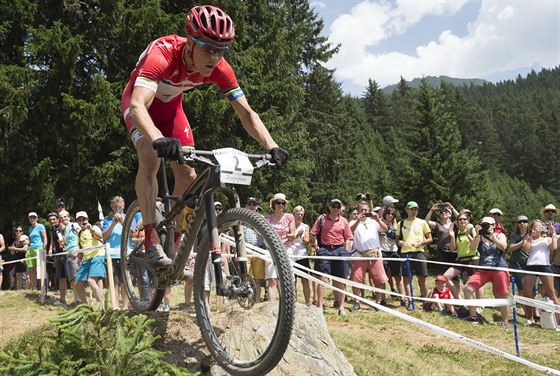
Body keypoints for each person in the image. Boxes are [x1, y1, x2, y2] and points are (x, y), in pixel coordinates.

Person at [120, 5, 289, 269]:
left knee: (188, 175)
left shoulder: (221, 68)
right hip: (139, 105)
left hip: (172, 110)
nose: (215, 58)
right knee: (150, 156)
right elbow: (140, 106)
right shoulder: (162, 55)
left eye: (221, 50)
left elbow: (246, 113)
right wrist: (156, 137)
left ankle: (173, 239)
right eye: (209, 49)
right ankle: (151, 238)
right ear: (190, 43)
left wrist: (272, 145)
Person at [463, 216, 510, 328]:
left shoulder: (500, 235)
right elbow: (473, 248)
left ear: (494, 226)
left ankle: (505, 321)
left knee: (502, 294)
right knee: (467, 288)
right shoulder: (479, 237)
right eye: (484, 224)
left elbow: (503, 247)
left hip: (499, 268)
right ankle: (473, 316)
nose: (487, 227)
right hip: (483, 269)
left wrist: (492, 237)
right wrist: (477, 235)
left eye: (489, 225)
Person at [310, 198, 353, 316]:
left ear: (341, 208)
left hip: (340, 250)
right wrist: (317, 247)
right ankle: (319, 306)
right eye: (333, 206)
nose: (336, 209)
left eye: (338, 207)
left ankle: (341, 307)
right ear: (329, 207)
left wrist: (346, 250)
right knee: (322, 279)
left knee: (340, 279)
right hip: (325, 249)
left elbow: (348, 237)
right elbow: (313, 234)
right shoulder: (321, 219)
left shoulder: (344, 221)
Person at [348, 202, 388, 312]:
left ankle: (378, 302)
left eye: (366, 210)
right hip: (359, 254)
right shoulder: (353, 221)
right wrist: (358, 220)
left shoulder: (374, 222)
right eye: (362, 209)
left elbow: (385, 229)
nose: (364, 212)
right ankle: (357, 302)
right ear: (358, 210)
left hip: (374, 254)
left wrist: (378, 219)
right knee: (356, 279)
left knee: (379, 279)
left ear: (369, 210)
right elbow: (349, 231)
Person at [395, 201, 432, 310]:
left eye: (415, 209)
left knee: (423, 277)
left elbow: (430, 238)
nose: (413, 211)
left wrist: (422, 243)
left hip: (419, 252)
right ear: (407, 210)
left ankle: (425, 301)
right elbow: (397, 239)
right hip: (405, 253)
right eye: (411, 209)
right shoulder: (401, 223)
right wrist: (399, 243)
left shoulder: (422, 223)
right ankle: (410, 301)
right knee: (407, 278)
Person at [522, 219, 559, 326]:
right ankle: (530, 318)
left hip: (544, 266)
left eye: (540, 227)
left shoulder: (547, 238)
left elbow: (554, 247)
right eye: (535, 227)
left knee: (552, 294)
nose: (537, 229)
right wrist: (530, 237)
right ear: (531, 228)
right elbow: (527, 250)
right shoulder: (528, 238)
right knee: (527, 294)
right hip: (531, 266)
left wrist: (553, 233)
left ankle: (558, 320)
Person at [265, 193, 295, 302]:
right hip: (271, 250)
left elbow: (293, 234)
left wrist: (285, 235)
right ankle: (271, 305)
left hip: (286, 248)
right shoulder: (267, 218)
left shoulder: (290, 217)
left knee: (287, 278)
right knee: (272, 279)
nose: (280, 205)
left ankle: (287, 303)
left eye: (282, 203)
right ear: (274, 204)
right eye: (278, 203)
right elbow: (264, 234)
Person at [102, 196, 130, 309]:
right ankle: (115, 306)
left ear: (123, 206)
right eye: (115, 206)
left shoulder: (129, 218)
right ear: (112, 207)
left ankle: (126, 307)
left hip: (125, 254)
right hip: (111, 256)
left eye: (119, 206)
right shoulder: (107, 221)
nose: (118, 208)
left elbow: (133, 233)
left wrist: (123, 222)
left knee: (125, 282)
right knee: (114, 282)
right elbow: (104, 236)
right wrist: (113, 223)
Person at [442, 213, 479, 299]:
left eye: (464, 219)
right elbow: (452, 249)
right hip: (461, 260)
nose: (462, 221)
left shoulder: (472, 230)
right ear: (457, 222)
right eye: (460, 219)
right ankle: (457, 298)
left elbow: (474, 247)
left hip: (472, 259)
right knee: (446, 276)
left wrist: (467, 235)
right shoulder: (455, 232)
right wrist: (451, 237)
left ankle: (479, 305)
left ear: (468, 221)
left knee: (474, 284)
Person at [74, 211, 105, 309]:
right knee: (77, 284)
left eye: (84, 219)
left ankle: (102, 306)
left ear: (87, 219)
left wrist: (91, 229)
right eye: (79, 220)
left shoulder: (94, 227)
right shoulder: (79, 234)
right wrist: (78, 261)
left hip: (97, 256)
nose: (82, 221)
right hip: (86, 259)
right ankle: (87, 308)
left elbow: (100, 236)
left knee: (91, 281)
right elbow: (81, 249)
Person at [379, 207, 405, 303]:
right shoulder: (379, 222)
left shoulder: (397, 224)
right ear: (384, 214)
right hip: (383, 251)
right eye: (388, 213)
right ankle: (383, 298)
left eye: (392, 214)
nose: (390, 215)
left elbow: (397, 237)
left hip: (394, 251)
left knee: (398, 276)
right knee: (383, 276)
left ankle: (402, 298)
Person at [244, 197, 266, 302]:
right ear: (245, 205)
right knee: (246, 277)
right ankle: (247, 300)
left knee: (258, 279)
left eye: (254, 204)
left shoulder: (262, 218)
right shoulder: (241, 218)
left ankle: (257, 300)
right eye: (249, 204)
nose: (251, 206)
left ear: (257, 206)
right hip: (245, 250)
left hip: (259, 250)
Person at [59, 210, 82, 306]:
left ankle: (80, 299)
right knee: (71, 279)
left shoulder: (74, 225)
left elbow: (81, 235)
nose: (63, 219)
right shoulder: (65, 229)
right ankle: (76, 298)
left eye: (65, 217)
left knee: (76, 277)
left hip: (75, 254)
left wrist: (78, 249)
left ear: (68, 217)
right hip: (68, 254)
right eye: (61, 217)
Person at [425, 203, 456, 275]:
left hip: (453, 251)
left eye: (446, 211)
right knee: (444, 273)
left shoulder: (454, 224)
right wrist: (431, 210)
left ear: (450, 214)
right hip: (442, 251)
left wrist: (452, 208)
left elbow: (462, 218)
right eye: (441, 212)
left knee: (454, 274)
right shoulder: (438, 225)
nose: (443, 213)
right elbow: (425, 222)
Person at [46, 212, 69, 304]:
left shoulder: (62, 227)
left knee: (72, 278)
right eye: (50, 220)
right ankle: (62, 299)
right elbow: (53, 240)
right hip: (58, 255)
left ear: (58, 219)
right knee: (61, 277)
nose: (52, 221)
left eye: (54, 219)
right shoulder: (52, 229)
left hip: (66, 253)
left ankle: (78, 299)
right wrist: (51, 249)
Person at [290, 205, 311, 305]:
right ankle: (293, 302)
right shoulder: (289, 225)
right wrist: (296, 236)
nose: (300, 216)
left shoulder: (305, 226)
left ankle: (307, 303)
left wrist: (302, 238)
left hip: (302, 255)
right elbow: (287, 239)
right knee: (292, 281)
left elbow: (307, 242)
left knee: (305, 280)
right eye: (298, 214)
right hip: (291, 255)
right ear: (294, 214)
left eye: (302, 214)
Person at [508, 216, 531, 297]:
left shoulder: (532, 234)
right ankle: (523, 304)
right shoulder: (514, 235)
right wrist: (522, 242)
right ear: (517, 224)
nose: (522, 223)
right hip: (517, 263)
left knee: (532, 288)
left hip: (530, 263)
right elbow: (511, 248)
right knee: (521, 286)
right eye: (520, 222)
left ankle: (531, 304)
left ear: (528, 223)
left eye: (524, 221)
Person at [540, 204, 560, 297]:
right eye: (548, 211)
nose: (550, 213)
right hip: (542, 257)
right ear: (545, 213)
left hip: (555, 259)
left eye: (552, 211)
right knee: (542, 284)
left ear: (555, 213)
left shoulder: (558, 226)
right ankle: (544, 303)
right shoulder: (540, 226)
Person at [26, 212, 47, 291]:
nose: (32, 219)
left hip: (39, 248)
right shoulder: (30, 228)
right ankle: (34, 288)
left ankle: (43, 287)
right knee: (32, 269)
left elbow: (45, 238)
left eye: (34, 217)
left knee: (41, 268)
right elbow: (31, 240)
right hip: (31, 249)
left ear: (37, 218)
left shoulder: (41, 226)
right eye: (30, 218)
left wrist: (44, 249)